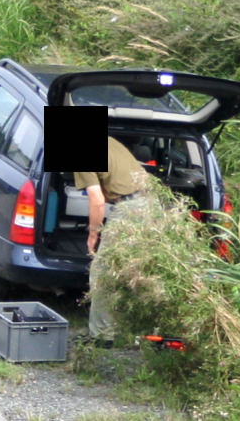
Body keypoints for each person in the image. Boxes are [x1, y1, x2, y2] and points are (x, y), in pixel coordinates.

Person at [74, 136, 147, 347]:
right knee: (138, 270)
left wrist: (93, 235)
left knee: (103, 271)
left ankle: (102, 337)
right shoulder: (109, 141)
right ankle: (144, 333)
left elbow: (97, 201)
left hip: (130, 210)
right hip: (152, 203)